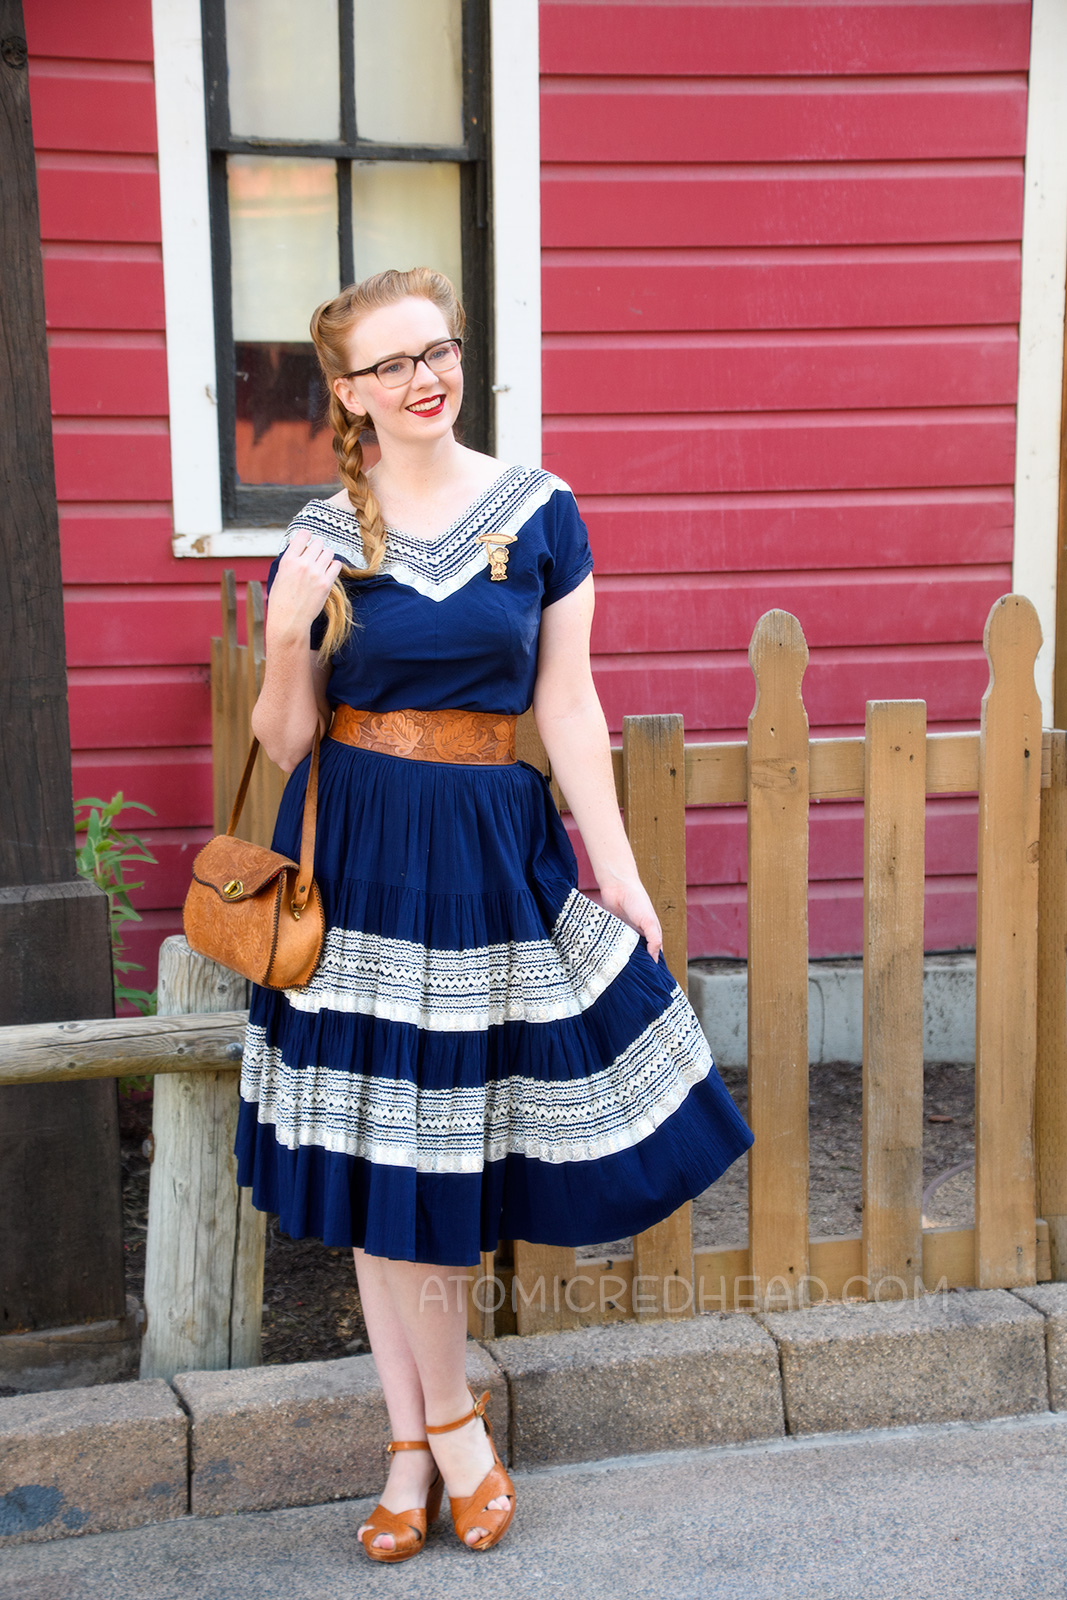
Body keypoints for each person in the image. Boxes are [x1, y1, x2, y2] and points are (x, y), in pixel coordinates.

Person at [236, 267, 754, 1561]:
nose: (426, 377)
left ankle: (430, 1440)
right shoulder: (316, 535)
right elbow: (286, 741)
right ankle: (431, 1438)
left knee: (440, 1147)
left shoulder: (541, 511)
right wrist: (290, 631)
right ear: (348, 393)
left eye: (440, 350)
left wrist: (617, 864)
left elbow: (566, 704)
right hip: (356, 855)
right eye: (394, 363)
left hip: (480, 852)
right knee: (380, 1156)